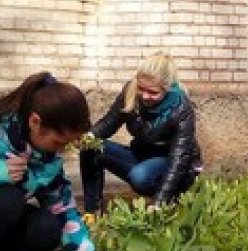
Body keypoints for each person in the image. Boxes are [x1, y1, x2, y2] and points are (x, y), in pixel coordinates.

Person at [0, 72, 102, 251]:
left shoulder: (47, 161)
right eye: (59, 142)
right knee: (10, 201)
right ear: (35, 122)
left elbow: (65, 212)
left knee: (48, 227)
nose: (62, 150)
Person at [79, 52, 202, 220]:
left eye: (152, 92)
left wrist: (159, 201)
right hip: (143, 155)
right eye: (141, 88)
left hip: (174, 164)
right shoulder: (131, 91)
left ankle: (169, 200)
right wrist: (88, 136)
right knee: (91, 146)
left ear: (167, 88)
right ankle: (92, 213)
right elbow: (109, 122)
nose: (144, 96)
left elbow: (179, 160)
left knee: (140, 176)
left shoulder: (181, 109)